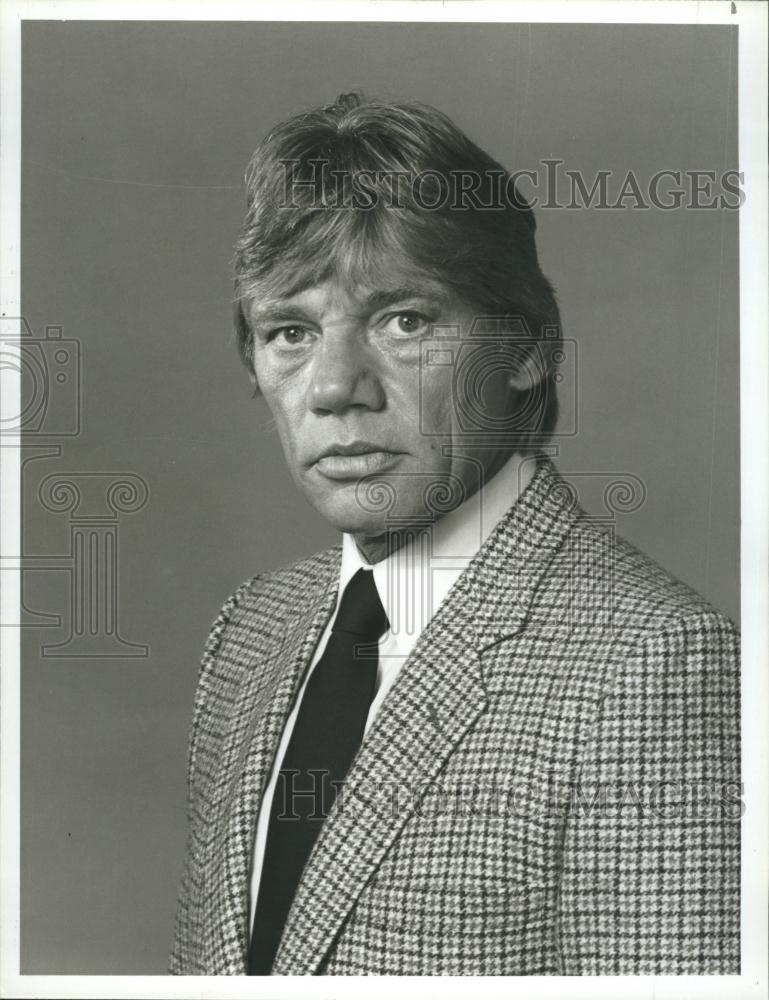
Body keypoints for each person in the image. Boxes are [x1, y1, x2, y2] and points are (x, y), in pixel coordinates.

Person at [169, 93, 740, 976]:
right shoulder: (249, 630)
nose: (335, 388)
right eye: (290, 331)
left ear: (527, 347)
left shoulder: (652, 663)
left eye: (404, 320)